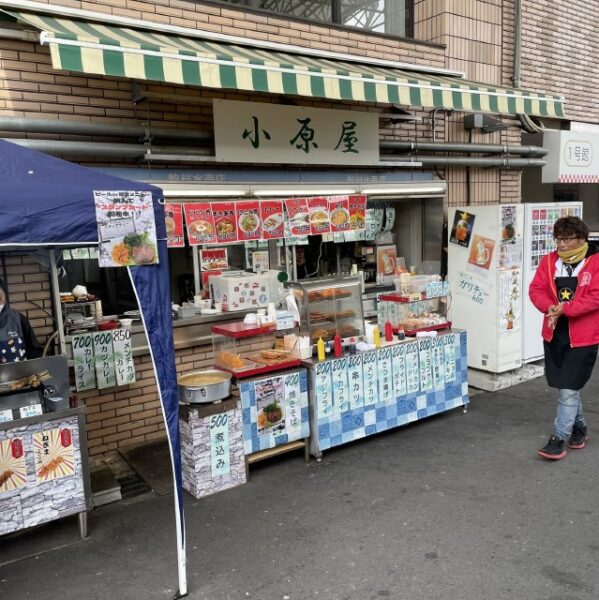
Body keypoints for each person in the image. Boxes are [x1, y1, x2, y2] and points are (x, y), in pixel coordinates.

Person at [529, 216, 599, 460]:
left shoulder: (595, 262)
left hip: (584, 335)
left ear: (581, 238)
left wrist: (566, 309)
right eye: (558, 239)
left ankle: (558, 438)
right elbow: (535, 289)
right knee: (566, 385)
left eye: (567, 239)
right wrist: (548, 306)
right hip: (555, 332)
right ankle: (580, 428)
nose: (561, 244)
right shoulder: (549, 261)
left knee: (568, 389)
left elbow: (596, 296)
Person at [0, 278, 43, 364]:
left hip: (21, 372)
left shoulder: (18, 319)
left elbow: (34, 350)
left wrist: (32, 368)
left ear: (5, 296)